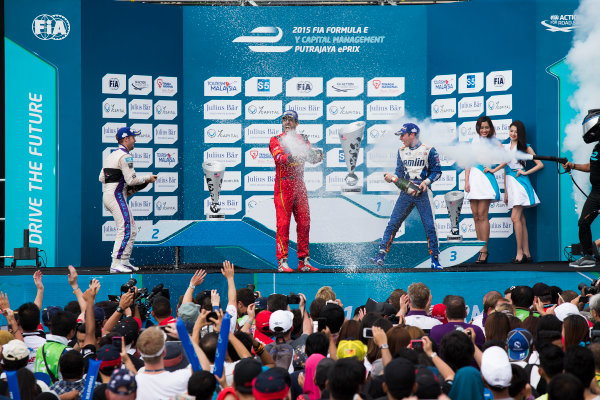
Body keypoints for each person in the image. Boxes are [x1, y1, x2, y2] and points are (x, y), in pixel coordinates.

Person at [369, 123, 443, 269]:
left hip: (423, 193)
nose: (401, 138)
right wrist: (393, 178)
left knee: (429, 226)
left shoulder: (429, 150)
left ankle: (435, 259)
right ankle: (381, 255)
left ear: (412, 134)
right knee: (393, 223)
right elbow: (399, 173)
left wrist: (426, 182)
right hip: (406, 193)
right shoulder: (401, 151)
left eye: (403, 135)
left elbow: (437, 171)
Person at [269, 110, 323, 273]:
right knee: (283, 224)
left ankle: (303, 261)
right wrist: (295, 156)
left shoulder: (304, 139)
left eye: (290, 120)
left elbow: (310, 158)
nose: (287, 122)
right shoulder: (276, 139)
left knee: (305, 223)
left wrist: (317, 156)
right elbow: (280, 158)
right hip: (283, 186)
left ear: (297, 123)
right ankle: (282, 262)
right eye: (284, 119)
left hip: (299, 186)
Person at [99, 126, 157, 273]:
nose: (135, 140)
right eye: (133, 137)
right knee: (125, 228)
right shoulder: (125, 156)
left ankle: (124, 261)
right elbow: (132, 181)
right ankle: (116, 263)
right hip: (116, 196)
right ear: (126, 139)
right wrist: (148, 178)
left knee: (131, 228)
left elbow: (101, 178)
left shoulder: (111, 155)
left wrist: (122, 187)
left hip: (110, 195)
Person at [500, 121, 543, 263]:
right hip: (511, 185)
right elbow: (505, 171)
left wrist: (525, 172)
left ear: (520, 134)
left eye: (515, 132)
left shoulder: (525, 147)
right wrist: (506, 192)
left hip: (520, 184)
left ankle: (520, 254)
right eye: (511, 131)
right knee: (520, 218)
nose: (512, 134)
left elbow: (540, 164)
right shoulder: (505, 148)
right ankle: (527, 254)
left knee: (515, 218)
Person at [563, 109, 600, 267]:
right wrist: (573, 166)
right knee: (583, 223)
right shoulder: (597, 147)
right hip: (596, 193)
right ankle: (588, 256)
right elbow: (591, 167)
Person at [464, 116, 503, 264]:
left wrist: (494, 169)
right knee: (475, 216)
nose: (484, 130)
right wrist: (466, 180)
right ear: (478, 129)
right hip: (473, 178)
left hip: (485, 180)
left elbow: (507, 158)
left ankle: (484, 250)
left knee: (483, 215)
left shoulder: (495, 143)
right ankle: (478, 247)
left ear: (490, 128)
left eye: (487, 127)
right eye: (482, 128)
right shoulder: (473, 141)